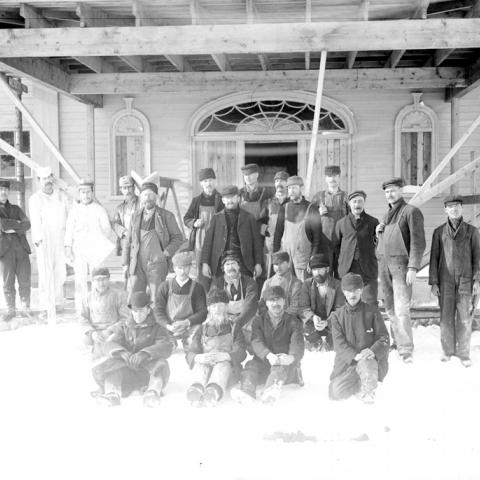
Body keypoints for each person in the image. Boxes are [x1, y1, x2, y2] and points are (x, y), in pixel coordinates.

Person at [92, 291, 173, 407]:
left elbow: (166, 346)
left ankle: (152, 393)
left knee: (161, 364)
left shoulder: (157, 326)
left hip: (148, 370)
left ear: (148, 310)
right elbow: (108, 344)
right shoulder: (125, 326)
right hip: (127, 369)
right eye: (135, 311)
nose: (137, 315)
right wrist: (121, 352)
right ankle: (112, 394)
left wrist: (145, 353)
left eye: (141, 311)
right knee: (110, 365)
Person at [376, 177, 425, 363]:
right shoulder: (386, 216)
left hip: (401, 267)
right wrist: (377, 234)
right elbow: (381, 246)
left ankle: (405, 348)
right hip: (384, 267)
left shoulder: (411, 212)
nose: (390, 194)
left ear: (401, 191)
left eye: (393, 190)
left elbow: (418, 242)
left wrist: (413, 267)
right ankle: (397, 341)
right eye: (387, 192)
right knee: (389, 308)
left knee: (402, 308)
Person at [231, 286, 304, 405]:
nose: (275, 303)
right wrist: (268, 355)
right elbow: (256, 341)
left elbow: (298, 344)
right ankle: (247, 392)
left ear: (284, 301)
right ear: (266, 303)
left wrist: (291, 357)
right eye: (271, 300)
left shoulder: (293, 321)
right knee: (251, 367)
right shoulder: (258, 321)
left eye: (278, 299)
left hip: (284, 364)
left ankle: (270, 393)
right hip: (264, 361)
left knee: (279, 367)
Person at [429, 195, 480, 367]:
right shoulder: (439, 232)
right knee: (446, 317)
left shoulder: (472, 231)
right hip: (445, 281)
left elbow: (478, 258)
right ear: (445, 210)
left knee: (465, 317)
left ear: (462, 208)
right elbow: (434, 259)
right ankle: (447, 351)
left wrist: (477, 280)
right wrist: (434, 282)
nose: (454, 209)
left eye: (457, 206)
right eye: (450, 207)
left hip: (466, 280)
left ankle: (464, 353)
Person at [328, 273, 390, 403]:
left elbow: (384, 337)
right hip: (348, 362)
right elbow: (339, 345)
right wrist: (355, 356)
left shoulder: (372, 312)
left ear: (361, 290)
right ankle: (359, 383)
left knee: (367, 364)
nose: (352, 294)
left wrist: (372, 351)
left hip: (369, 360)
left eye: (356, 290)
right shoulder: (337, 316)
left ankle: (368, 390)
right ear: (343, 292)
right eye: (349, 291)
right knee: (336, 392)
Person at [124, 182, 183, 310]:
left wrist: (166, 253)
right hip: (137, 264)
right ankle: (136, 325)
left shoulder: (167, 216)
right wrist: (125, 263)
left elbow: (178, 238)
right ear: (141, 197)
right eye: (145, 195)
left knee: (156, 299)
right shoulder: (135, 216)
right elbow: (128, 241)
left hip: (157, 264)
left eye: (151, 195)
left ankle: (157, 327)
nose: (147, 198)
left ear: (156, 198)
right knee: (135, 297)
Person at [186, 289, 247, 407]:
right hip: (207, 370)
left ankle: (213, 392)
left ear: (226, 307)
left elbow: (241, 351)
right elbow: (191, 353)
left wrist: (227, 356)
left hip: (229, 371)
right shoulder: (202, 329)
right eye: (213, 306)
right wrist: (199, 357)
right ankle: (196, 389)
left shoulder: (234, 327)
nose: (217, 310)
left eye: (221, 306)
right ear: (208, 309)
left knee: (222, 364)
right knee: (200, 364)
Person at [65, 179, 114, 313]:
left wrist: (98, 240)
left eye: (88, 192)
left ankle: (96, 308)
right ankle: (81, 309)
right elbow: (69, 231)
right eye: (82, 192)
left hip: (94, 248)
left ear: (92, 192)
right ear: (79, 194)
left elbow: (107, 230)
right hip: (79, 248)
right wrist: (68, 248)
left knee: (96, 278)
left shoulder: (99, 209)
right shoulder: (74, 211)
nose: (85, 196)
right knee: (80, 279)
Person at [29, 167, 69, 317]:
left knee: (60, 270)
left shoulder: (61, 196)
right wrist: (38, 240)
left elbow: (69, 211)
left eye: (49, 178)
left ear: (53, 179)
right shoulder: (35, 199)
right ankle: (46, 306)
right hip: (44, 239)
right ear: (39, 181)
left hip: (60, 236)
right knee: (46, 272)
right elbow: (35, 221)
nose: (47, 182)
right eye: (43, 179)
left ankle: (58, 302)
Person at [201, 185, 263, 279]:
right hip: (221, 263)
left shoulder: (249, 218)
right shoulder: (216, 218)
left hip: (244, 263)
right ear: (223, 200)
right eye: (227, 198)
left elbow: (257, 243)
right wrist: (205, 263)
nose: (230, 201)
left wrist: (258, 263)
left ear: (238, 199)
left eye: (233, 197)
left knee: (243, 290)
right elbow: (207, 243)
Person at [334, 190, 379, 305]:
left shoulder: (373, 222)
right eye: (354, 202)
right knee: (348, 304)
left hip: (367, 270)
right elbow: (335, 248)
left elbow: (379, 245)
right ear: (349, 204)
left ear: (364, 203)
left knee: (369, 302)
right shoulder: (341, 223)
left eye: (360, 201)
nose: (357, 205)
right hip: (347, 269)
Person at [156, 250, 207, 348]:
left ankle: (187, 342)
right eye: (179, 268)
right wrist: (168, 326)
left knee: (197, 336)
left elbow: (203, 312)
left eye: (186, 268)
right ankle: (171, 342)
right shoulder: (164, 286)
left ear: (190, 267)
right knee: (159, 335)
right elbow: (158, 310)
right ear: (174, 268)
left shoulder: (198, 287)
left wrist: (186, 322)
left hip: (190, 326)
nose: (183, 271)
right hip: (170, 326)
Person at [183, 167, 223, 290]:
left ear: (215, 181)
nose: (208, 183)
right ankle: (203, 300)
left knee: (217, 272)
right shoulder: (197, 200)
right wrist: (194, 222)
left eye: (210, 180)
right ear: (201, 184)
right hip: (200, 242)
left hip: (218, 241)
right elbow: (187, 219)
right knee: (202, 274)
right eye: (205, 181)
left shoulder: (221, 199)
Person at [298, 254, 345, 351]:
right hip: (313, 324)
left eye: (320, 269)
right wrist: (313, 317)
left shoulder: (337, 285)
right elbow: (303, 307)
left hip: (332, 324)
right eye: (314, 270)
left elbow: (340, 309)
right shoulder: (307, 284)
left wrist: (327, 322)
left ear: (327, 269)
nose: (317, 273)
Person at [306, 165, 349, 268]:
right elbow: (308, 221)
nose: (332, 179)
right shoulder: (318, 197)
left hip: (342, 243)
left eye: (335, 176)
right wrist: (318, 214)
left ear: (339, 177)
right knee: (325, 273)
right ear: (326, 179)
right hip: (323, 244)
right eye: (329, 176)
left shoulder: (346, 197)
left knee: (341, 273)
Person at [0, 179, 31, 321]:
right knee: (8, 281)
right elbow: (3, 225)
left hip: (21, 248)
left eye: (5, 190)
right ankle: (11, 308)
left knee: (24, 279)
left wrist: (13, 227)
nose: (3, 192)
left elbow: (27, 223)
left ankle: (25, 307)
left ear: (8, 191)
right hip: (5, 250)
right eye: (0, 190)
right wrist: (17, 224)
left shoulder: (16, 208)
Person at [81, 267, 129, 357]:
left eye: (104, 279)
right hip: (95, 332)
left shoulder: (119, 295)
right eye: (98, 280)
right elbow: (83, 318)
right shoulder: (88, 298)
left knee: (108, 347)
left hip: (113, 332)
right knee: (85, 342)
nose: (101, 283)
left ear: (109, 279)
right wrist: (92, 333)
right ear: (93, 281)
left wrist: (110, 330)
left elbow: (125, 318)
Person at [273, 175, 311, 281]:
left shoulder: (310, 208)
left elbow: (316, 238)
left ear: (301, 189)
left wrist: (312, 259)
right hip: (286, 256)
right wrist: (276, 256)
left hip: (303, 258)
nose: (291, 191)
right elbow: (278, 233)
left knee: (304, 287)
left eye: (294, 187)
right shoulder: (284, 208)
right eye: (289, 188)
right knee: (286, 286)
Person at [209, 251, 258, 330]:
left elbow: (250, 306)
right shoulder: (217, 283)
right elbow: (214, 304)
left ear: (239, 266)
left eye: (233, 263)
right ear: (223, 268)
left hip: (245, 319)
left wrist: (238, 322)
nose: (231, 267)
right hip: (224, 318)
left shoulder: (249, 282)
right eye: (227, 264)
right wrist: (226, 321)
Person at [260, 251, 302, 317]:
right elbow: (262, 304)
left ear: (288, 264)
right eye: (276, 264)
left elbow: (295, 308)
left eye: (281, 263)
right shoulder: (268, 283)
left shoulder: (296, 283)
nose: (278, 267)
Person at [265, 171, 289, 277]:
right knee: (271, 273)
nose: (279, 183)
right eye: (277, 181)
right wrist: (266, 236)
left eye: (283, 181)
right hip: (271, 245)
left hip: (287, 244)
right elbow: (261, 222)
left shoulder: (291, 203)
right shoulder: (268, 202)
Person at [112, 175, 140, 258]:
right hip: (126, 243)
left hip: (140, 241)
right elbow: (115, 225)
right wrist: (124, 232)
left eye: (129, 187)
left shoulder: (141, 203)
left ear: (134, 187)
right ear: (121, 190)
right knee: (127, 268)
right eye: (124, 188)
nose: (127, 191)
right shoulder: (119, 208)